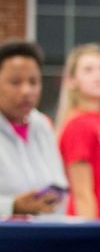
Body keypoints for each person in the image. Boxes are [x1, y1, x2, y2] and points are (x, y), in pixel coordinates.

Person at [56, 43, 100, 220]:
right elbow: (82, 195)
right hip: (89, 229)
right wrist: (92, 239)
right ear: (72, 80)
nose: (98, 75)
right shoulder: (78, 125)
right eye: (88, 70)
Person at [0, 39, 66, 217]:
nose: (26, 91)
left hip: (41, 238)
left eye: (33, 82)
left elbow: (59, 183)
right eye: (15, 82)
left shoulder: (42, 125)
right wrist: (11, 205)